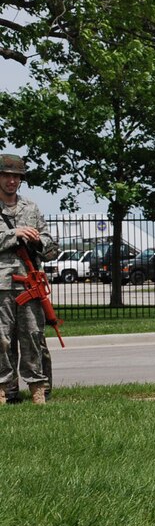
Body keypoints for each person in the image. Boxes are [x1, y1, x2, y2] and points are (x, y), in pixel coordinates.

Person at [0, 154, 56, 406]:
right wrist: (14, 234)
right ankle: (3, 388)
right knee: (1, 339)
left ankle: (37, 388)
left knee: (33, 336)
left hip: (29, 285)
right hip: (1, 286)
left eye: (16, 177)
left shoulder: (31, 208)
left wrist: (38, 241)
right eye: (6, 176)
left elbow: (51, 245)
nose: (11, 181)